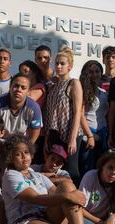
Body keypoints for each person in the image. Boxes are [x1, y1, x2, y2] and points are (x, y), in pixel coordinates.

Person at [44, 46, 83, 186]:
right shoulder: (53, 85)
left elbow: (78, 111)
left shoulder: (74, 83)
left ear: (70, 67)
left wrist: (72, 139)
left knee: (72, 170)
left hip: (70, 133)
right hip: (55, 133)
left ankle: (76, 202)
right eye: (57, 63)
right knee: (54, 169)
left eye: (62, 63)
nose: (59, 66)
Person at [0, 73, 42, 144]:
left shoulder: (34, 108)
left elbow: (34, 134)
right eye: (16, 86)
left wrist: (26, 149)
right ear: (10, 87)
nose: (19, 90)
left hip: (20, 144)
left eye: (23, 88)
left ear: (28, 92)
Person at [78, 60, 108, 177]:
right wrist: (90, 135)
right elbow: (80, 115)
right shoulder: (82, 90)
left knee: (101, 170)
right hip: (88, 134)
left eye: (97, 71)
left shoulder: (104, 92)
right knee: (87, 170)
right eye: (91, 72)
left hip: (103, 133)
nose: (94, 74)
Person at [19, 60, 47, 164]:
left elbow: (27, 99)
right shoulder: (27, 88)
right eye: (21, 72)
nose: (23, 74)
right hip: (24, 131)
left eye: (25, 71)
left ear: (34, 72)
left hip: (36, 132)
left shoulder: (40, 87)